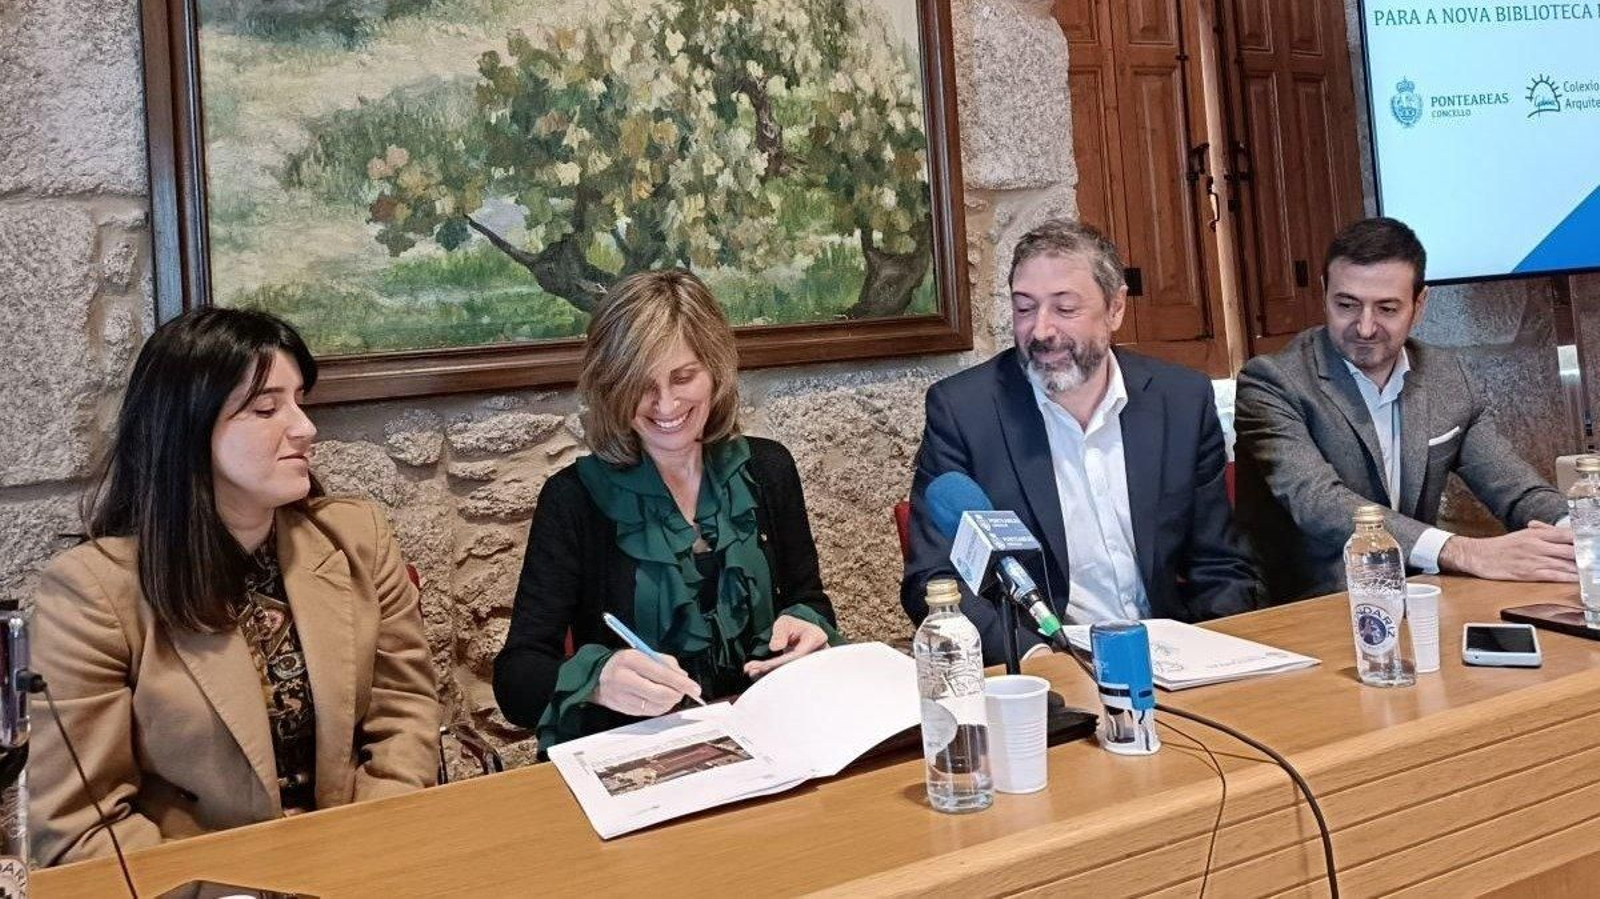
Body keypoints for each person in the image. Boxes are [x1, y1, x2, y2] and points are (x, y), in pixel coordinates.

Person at [30, 308, 440, 865]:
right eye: (267, 408)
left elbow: (405, 717)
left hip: (359, 853)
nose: (305, 427)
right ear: (188, 429)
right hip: (200, 879)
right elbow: (82, 828)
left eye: (300, 400)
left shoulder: (355, 539)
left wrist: (366, 846)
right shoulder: (92, 594)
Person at [495, 269, 844, 750]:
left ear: (715, 371)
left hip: (775, 740)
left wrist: (810, 628)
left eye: (684, 377)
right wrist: (598, 678)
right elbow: (517, 680)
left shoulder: (768, 469)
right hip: (643, 758)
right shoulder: (573, 498)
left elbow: (810, 601)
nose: (665, 404)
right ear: (612, 386)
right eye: (642, 384)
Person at [901, 219, 1259, 663]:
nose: (1041, 330)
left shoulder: (1180, 399)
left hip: (1174, 655)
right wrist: (1037, 661)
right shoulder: (965, 412)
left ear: (1115, 308)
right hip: (1048, 662)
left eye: (1065, 308)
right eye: (1025, 308)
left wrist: (1218, 656)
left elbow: (1219, 564)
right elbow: (934, 581)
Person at [1234, 216, 1575, 602]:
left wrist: (1576, 536)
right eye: (1347, 305)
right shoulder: (1271, 382)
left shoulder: (1448, 377)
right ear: (1324, 292)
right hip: (1306, 610)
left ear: (1419, 304)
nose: (1364, 327)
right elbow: (1318, 502)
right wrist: (1463, 551)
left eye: (1386, 309)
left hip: (1415, 600)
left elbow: (1514, 487)